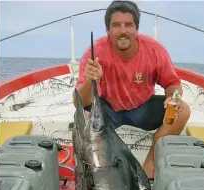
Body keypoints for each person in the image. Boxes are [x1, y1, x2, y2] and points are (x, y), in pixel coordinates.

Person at [73, 0, 191, 179]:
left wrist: (173, 98)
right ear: (108, 30)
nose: (122, 31)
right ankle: (103, 172)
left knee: (182, 112)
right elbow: (79, 102)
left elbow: (173, 84)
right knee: (83, 118)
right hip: (108, 112)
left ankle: (149, 164)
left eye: (128, 25)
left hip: (142, 109)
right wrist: (90, 81)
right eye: (116, 25)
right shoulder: (94, 52)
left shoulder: (154, 50)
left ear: (136, 28)